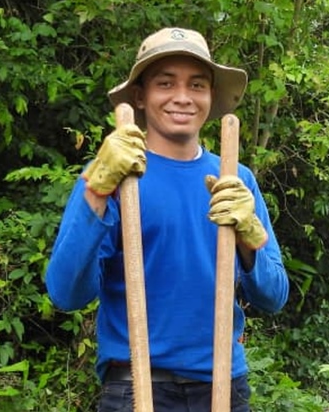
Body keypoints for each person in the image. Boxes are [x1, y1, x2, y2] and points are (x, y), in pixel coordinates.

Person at [46, 27, 288, 412]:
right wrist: (97, 191)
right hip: (136, 387)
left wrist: (249, 237)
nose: (182, 97)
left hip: (224, 386)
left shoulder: (235, 180)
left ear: (211, 96)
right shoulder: (111, 175)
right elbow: (67, 293)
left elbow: (274, 297)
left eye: (197, 85)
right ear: (140, 96)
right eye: (165, 83)